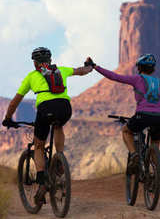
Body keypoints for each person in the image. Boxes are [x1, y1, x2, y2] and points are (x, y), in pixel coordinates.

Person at [2, 47, 93, 205]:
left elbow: (16, 100)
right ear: (50, 60)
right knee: (58, 126)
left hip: (45, 109)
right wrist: (90, 66)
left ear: (35, 63)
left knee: (38, 145)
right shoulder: (61, 70)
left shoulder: (32, 76)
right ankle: (59, 158)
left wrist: (8, 118)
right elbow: (81, 71)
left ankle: (42, 181)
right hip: (65, 108)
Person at [85, 54, 160, 173]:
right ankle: (156, 176)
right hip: (159, 118)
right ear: (153, 69)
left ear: (139, 68)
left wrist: (95, 66)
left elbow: (114, 76)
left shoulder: (137, 79)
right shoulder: (159, 84)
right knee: (155, 145)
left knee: (126, 130)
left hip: (142, 115)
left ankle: (134, 155)